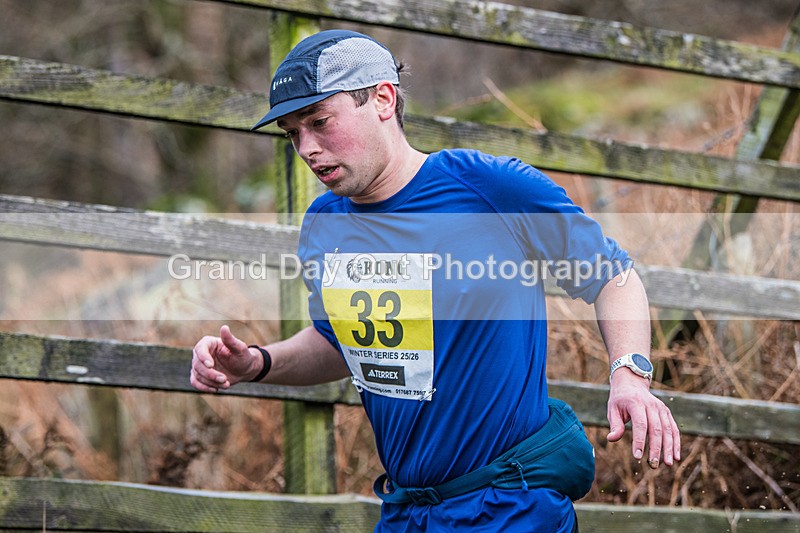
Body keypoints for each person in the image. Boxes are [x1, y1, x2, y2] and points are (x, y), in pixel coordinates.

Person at [190, 29, 681, 532]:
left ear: (382, 98)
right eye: (293, 133)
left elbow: (612, 277)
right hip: (408, 513)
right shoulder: (324, 224)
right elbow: (342, 342)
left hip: (508, 505)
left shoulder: (488, 189)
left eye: (319, 122)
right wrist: (258, 362)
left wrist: (630, 375)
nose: (307, 149)